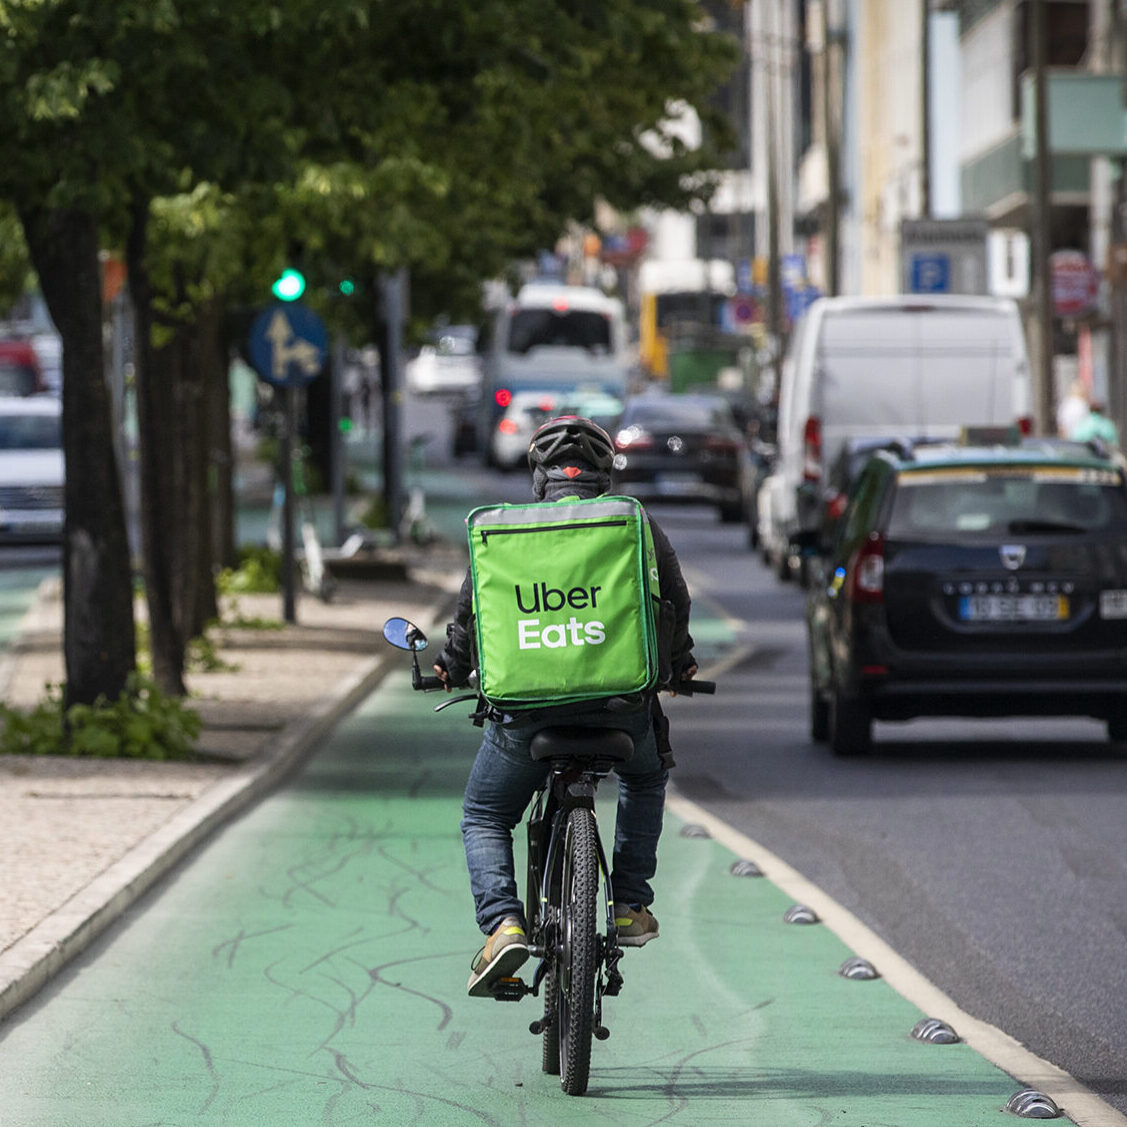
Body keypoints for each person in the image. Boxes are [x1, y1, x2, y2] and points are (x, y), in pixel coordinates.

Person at [433, 415, 698, 998]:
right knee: (645, 780)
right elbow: (672, 599)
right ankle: (628, 903)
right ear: (604, 477)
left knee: (484, 815)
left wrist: (451, 667)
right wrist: (680, 664)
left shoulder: (507, 531)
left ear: (539, 476)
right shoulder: (634, 522)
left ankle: (504, 924)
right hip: (620, 708)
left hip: (525, 717)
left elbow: (471, 613)